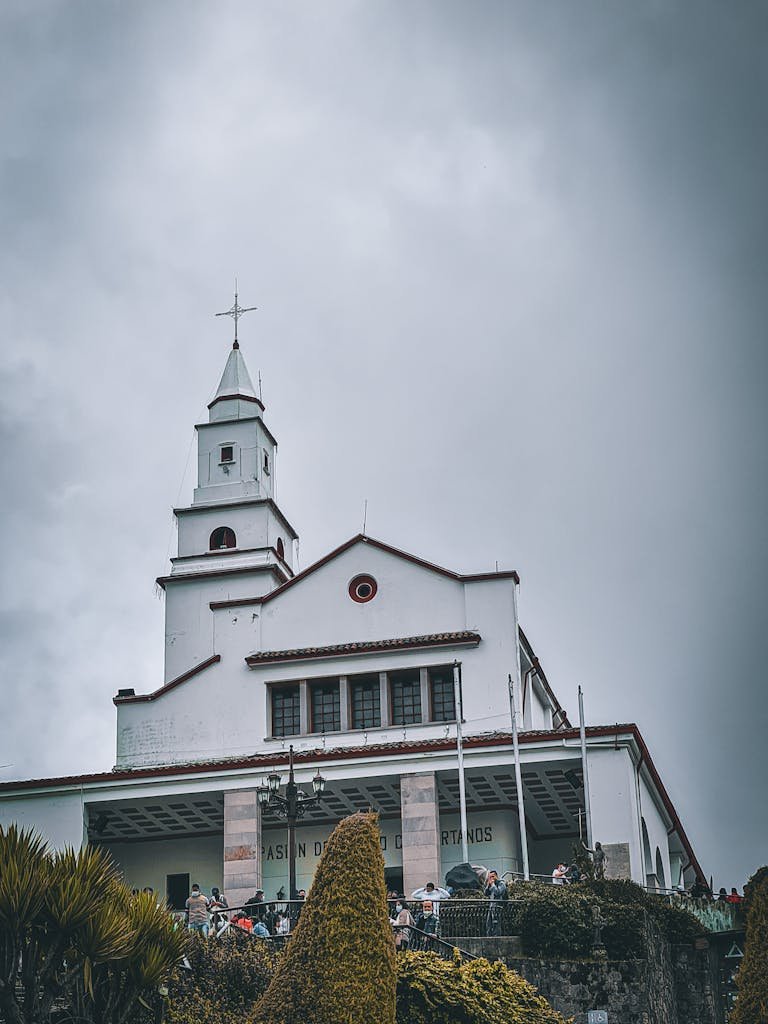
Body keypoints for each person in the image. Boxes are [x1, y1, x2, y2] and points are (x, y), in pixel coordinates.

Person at [484, 869, 507, 936]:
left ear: (496, 876)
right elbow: (485, 893)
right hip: (491, 907)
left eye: (493, 876)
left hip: (498, 907)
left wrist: (493, 884)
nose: (491, 878)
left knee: (496, 925)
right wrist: (488, 885)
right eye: (490, 877)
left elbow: (498, 892)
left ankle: (497, 939)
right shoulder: (491, 885)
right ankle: (489, 939)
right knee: (489, 925)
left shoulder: (501, 884)